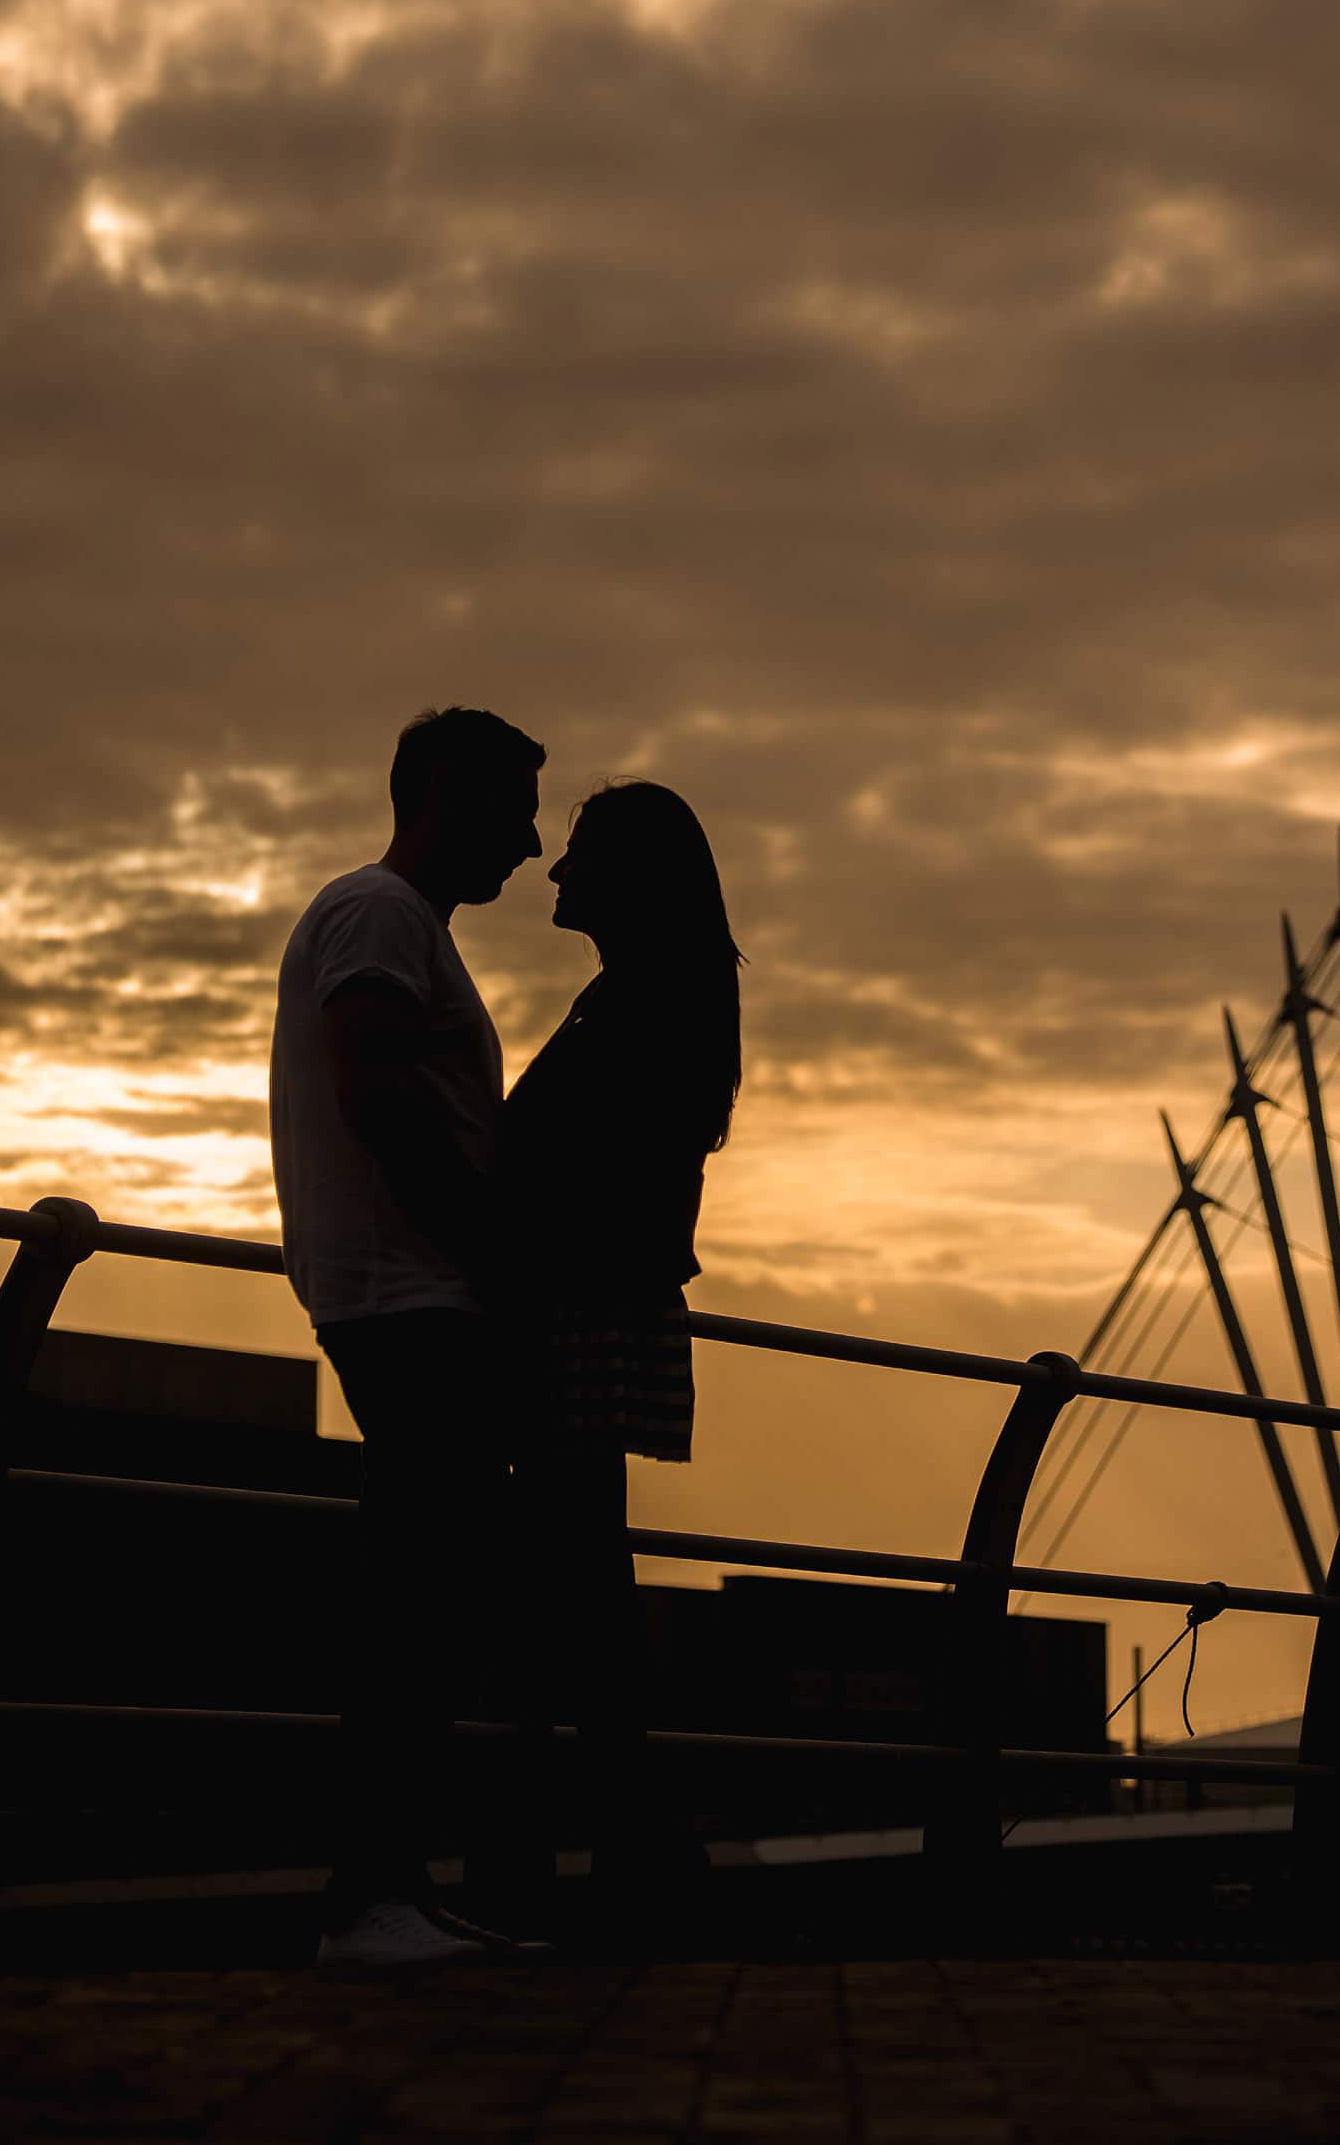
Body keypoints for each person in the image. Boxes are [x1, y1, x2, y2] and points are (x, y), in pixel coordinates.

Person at [267, 703, 546, 1976]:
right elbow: (374, 1090)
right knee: (414, 1599)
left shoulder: (402, 924)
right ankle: (364, 1896)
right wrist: (490, 1245)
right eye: (515, 807)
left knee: (424, 1595)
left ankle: (389, 1886)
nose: (534, 845)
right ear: (448, 791)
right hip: (409, 1294)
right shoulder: (378, 916)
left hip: (410, 1290)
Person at [476, 779, 743, 1926]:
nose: (554, 869)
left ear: (628, 876)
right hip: (606, 1303)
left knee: (566, 1573)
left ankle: (576, 1840)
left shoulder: (632, 1007)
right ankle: (612, 1837)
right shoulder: (665, 1000)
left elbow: (551, 1161)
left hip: (575, 1305)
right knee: (581, 1568)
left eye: (577, 852)